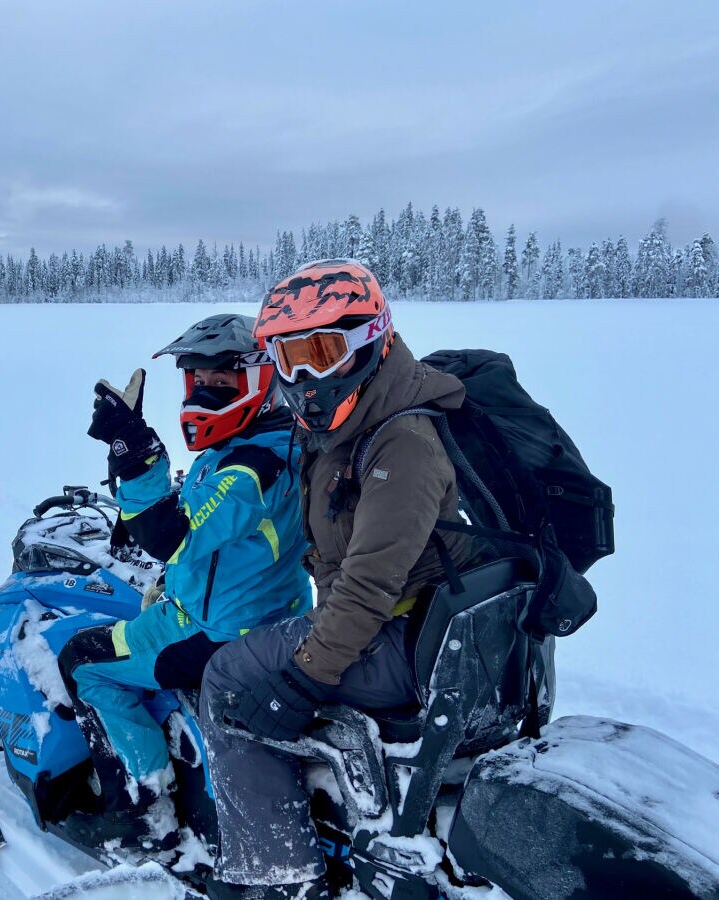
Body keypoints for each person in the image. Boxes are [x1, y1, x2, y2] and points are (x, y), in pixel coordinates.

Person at [199, 260, 491, 900]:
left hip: (398, 638)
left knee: (224, 678)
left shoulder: (402, 442)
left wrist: (302, 680)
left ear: (369, 339)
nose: (303, 379)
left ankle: (276, 874)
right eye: (288, 357)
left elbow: (366, 589)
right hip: (414, 624)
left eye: (321, 353)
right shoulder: (359, 418)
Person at [57, 313, 311, 850]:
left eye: (223, 381)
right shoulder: (285, 442)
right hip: (275, 618)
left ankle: (140, 808)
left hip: (218, 632)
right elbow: (209, 536)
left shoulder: (250, 469)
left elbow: (171, 534)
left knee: (82, 662)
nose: (205, 393)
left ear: (263, 382)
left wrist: (134, 445)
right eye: (197, 380)